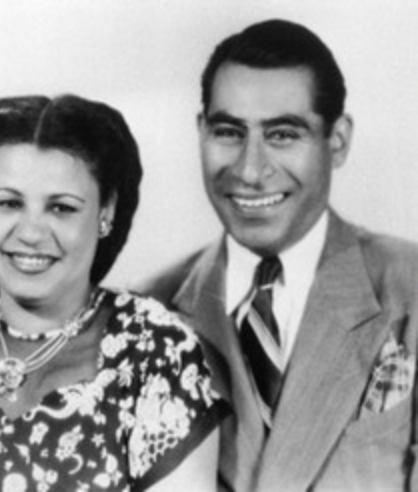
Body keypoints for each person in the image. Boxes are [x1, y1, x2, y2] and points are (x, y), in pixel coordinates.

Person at [141, 19, 418, 492]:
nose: (250, 171)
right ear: (200, 132)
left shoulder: (409, 286)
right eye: (228, 132)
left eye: (283, 134)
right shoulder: (146, 314)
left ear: (338, 141)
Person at [0, 94, 227, 491]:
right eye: (9, 203)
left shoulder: (155, 352)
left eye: (62, 208)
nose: (31, 233)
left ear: (106, 211)